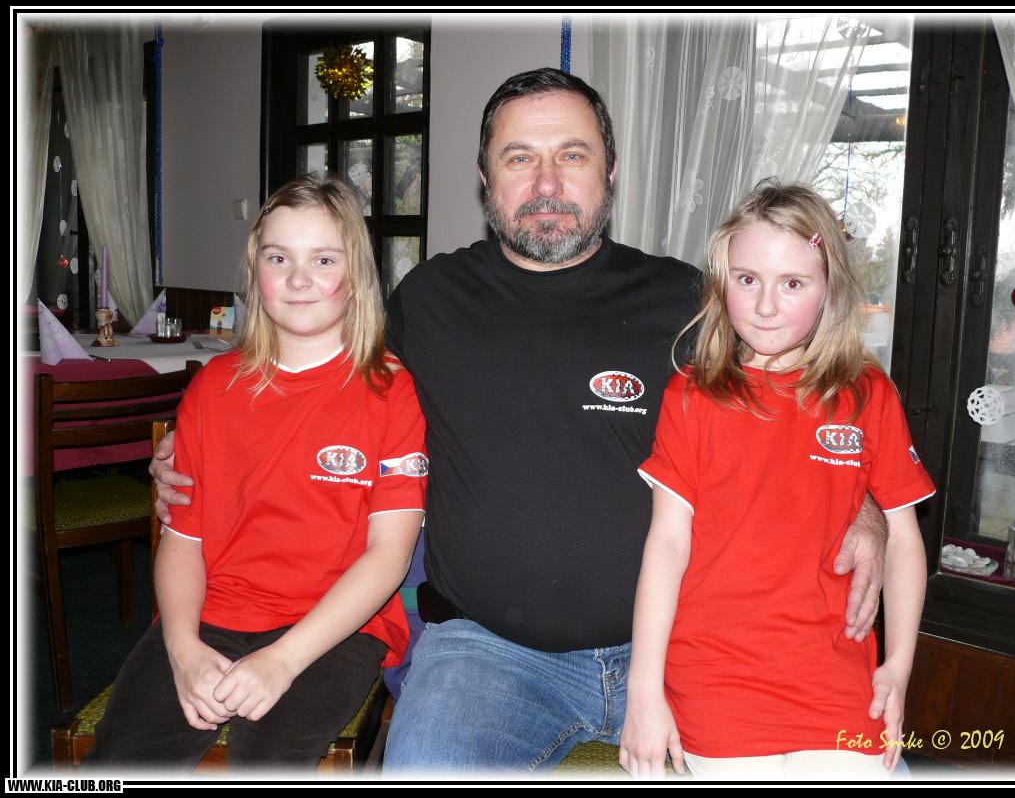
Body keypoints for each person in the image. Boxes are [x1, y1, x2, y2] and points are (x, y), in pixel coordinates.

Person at [150, 69, 888, 775]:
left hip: (689, 641)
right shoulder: (430, 301)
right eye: (519, 158)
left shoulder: (687, 301)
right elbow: (321, 394)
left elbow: (806, 410)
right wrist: (200, 448)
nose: (546, 183)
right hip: (488, 654)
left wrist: (865, 511)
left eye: (572, 155)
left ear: (611, 171)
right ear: (485, 178)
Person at [88, 175, 427, 770]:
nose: (298, 278)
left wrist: (283, 660)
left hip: (336, 627)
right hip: (211, 613)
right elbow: (182, 538)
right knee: (123, 758)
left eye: (324, 259)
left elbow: (387, 557)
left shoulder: (391, 391)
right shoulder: (213, 388)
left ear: (356, 275)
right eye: (278, 258)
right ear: (255, 271)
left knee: (268, 760)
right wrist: (182, 649)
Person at [620, 181, 933, 781]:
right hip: (714, 685)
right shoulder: (691, 395)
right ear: (722, 283)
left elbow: (903, 540)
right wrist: (644, 691)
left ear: (829, 290)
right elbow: (667, 544)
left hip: (837, 685)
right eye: (747, 279)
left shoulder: (869, 394)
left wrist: (898, 668)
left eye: (792, 283)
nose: (765, 305)